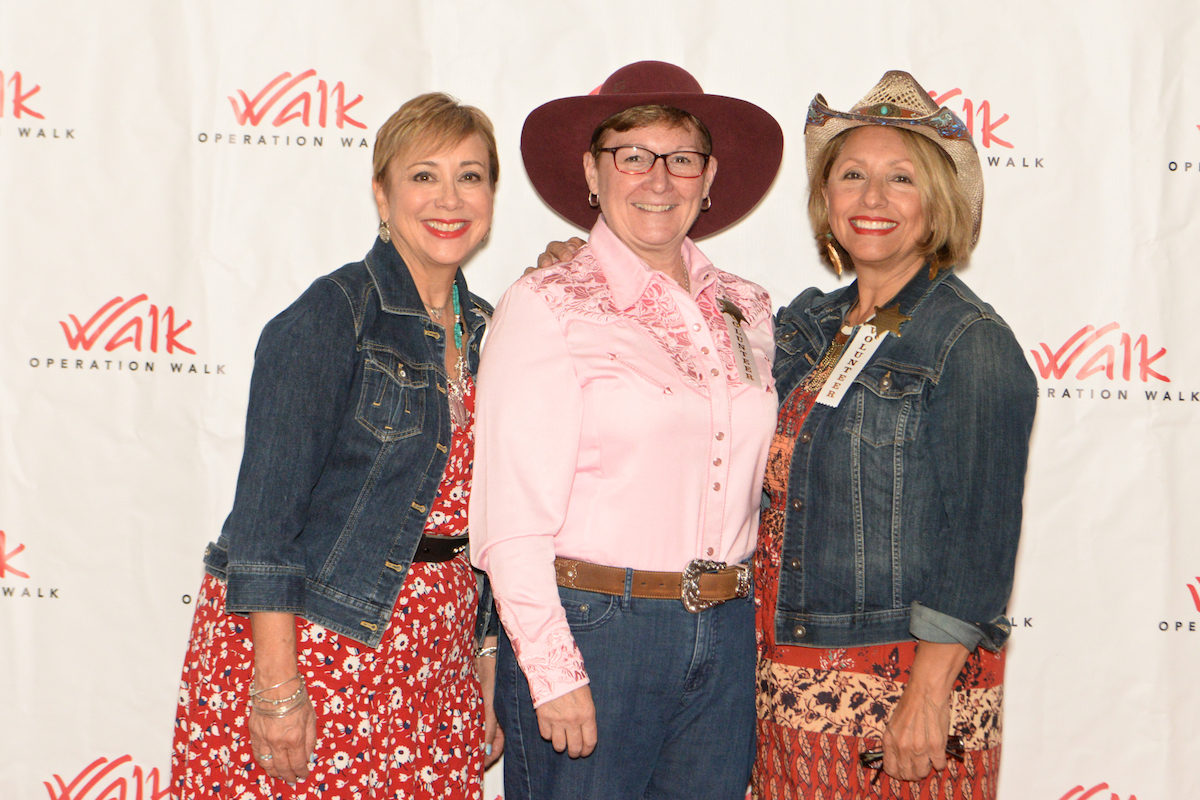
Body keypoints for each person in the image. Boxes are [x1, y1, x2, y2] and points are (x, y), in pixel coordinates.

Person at [171, 92, 503, 800]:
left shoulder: (490, 330)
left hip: (434, 661)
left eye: (470, 176)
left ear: (491, 197)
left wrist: (484, 661)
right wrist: (277, 690)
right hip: (319, 647)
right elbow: (264, 526)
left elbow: (490, 525)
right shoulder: (333, 315)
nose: (449, 199)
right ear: (382, 194)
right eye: (424, 175)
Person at [469, 61, 784, 799]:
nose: (659, 180)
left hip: (726, 634)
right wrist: (552, 670)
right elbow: (510, 515)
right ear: (593, 171)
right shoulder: (548, 302)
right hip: (596, 631)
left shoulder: (748, 307)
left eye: (682, 158)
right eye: (633, 156)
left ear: (709, 178)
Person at [753, 71, 1036, 798]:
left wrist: (929, 695)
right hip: (781, 681)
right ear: (826, 199)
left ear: (936, 205)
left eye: (900, 179)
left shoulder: (969, 340)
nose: (871, 198)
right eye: (852, 175)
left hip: (900, 692)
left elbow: (980, 535)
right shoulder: (810, 328)